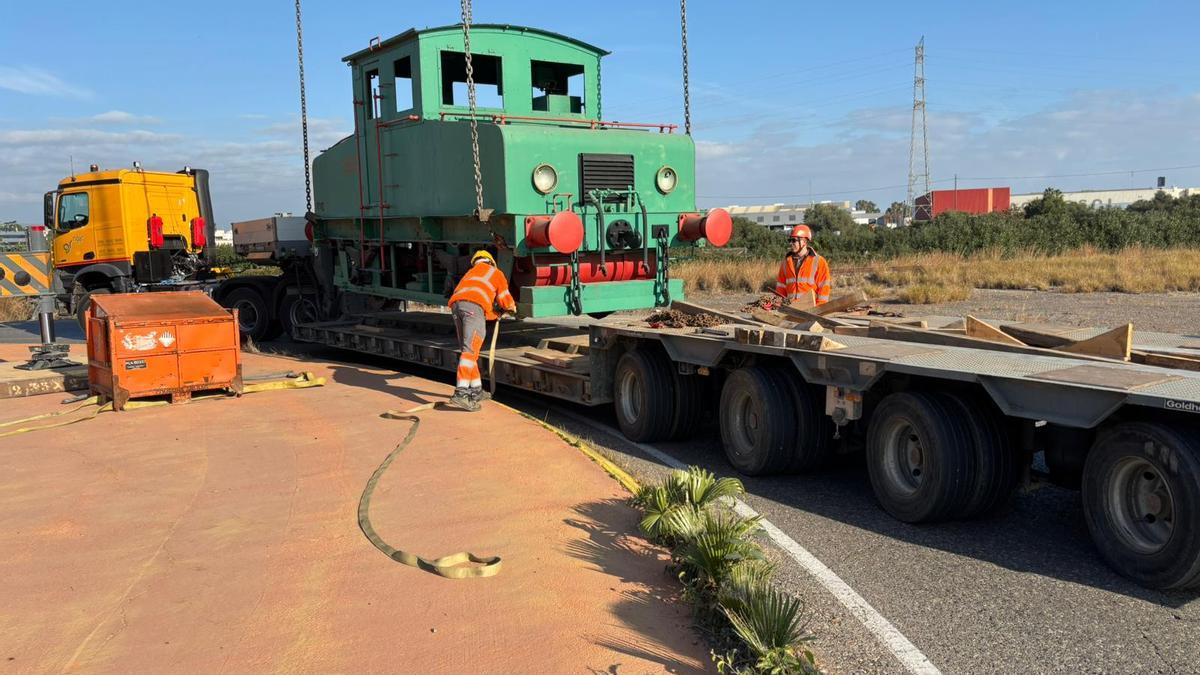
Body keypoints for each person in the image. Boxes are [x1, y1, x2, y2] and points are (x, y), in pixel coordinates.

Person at [446, 250, 516, 411]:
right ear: (491, 262)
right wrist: (511, 309)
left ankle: (476, 390)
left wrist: (496, 314)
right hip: (473, 308)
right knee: (470, 352)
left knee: (469, 351)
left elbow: (478, 304)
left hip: (457, 307)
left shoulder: (469, 274)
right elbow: (505, 299)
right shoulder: (495, 272)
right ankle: (461, 394)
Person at [774, 224, 832, 306]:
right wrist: (778, 306)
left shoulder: (819, 261)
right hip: (791, 310)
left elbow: (824, 289)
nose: (791, 243)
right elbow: (781, 288)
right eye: (790, 240)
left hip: (811, 311)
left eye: (794, 240)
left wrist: (819, 310)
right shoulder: (786, 262)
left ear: (804, 242)